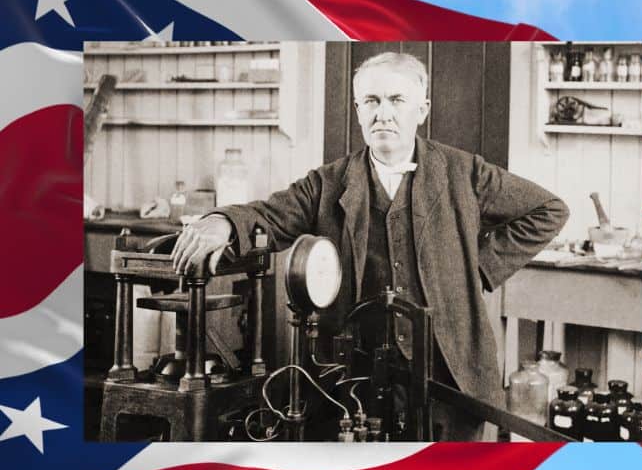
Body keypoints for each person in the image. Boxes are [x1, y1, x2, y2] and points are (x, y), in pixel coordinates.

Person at [172, 52, 568, 440]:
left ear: (422, 109)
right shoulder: (328, 182)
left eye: (397, 100)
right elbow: (271, 215)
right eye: (372, 102)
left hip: (450, 370)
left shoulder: (464, 173)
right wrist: (222, 220)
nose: (384, 114)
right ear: (359, 110)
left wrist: (474, 268)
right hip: (358, 376)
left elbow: (549, 210)